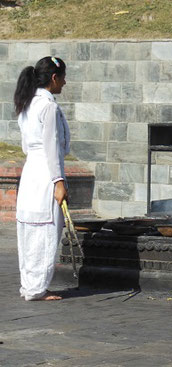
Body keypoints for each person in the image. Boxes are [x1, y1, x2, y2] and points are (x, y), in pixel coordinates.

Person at [14, 56, 69, 300]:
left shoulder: (27, 103)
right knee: (46, 229)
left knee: (29, 228)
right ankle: (37, 288)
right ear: (54, 78)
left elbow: (28, 145)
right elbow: (52, 146)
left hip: (31, 171)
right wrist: (58, 181)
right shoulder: (48, 106)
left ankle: (31, 285)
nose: (65, 83)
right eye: (63, 78)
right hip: (46, 171)